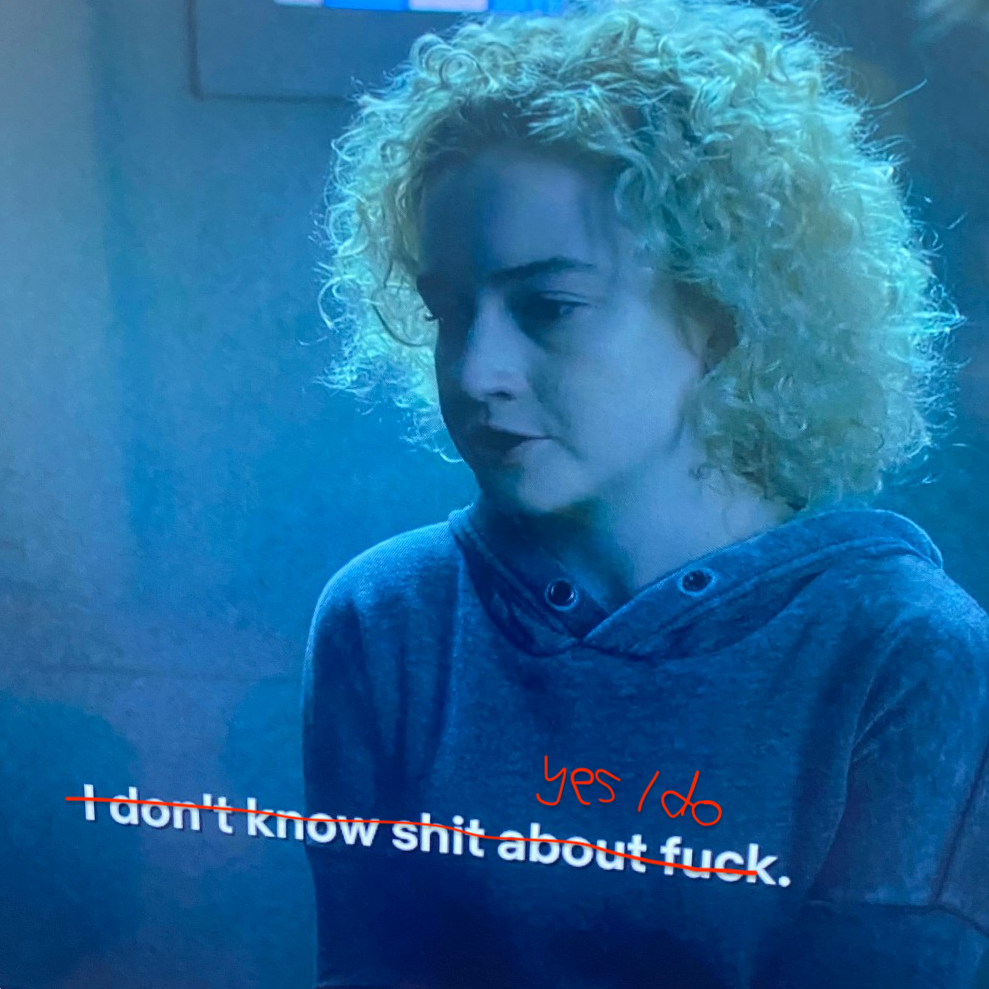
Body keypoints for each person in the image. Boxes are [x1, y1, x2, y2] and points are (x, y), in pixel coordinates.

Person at [302, 0, 989, 986]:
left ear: (720, 312)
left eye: (550, 305)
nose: (477, 370)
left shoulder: (904, 651)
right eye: (448, 309)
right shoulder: (388, 616)